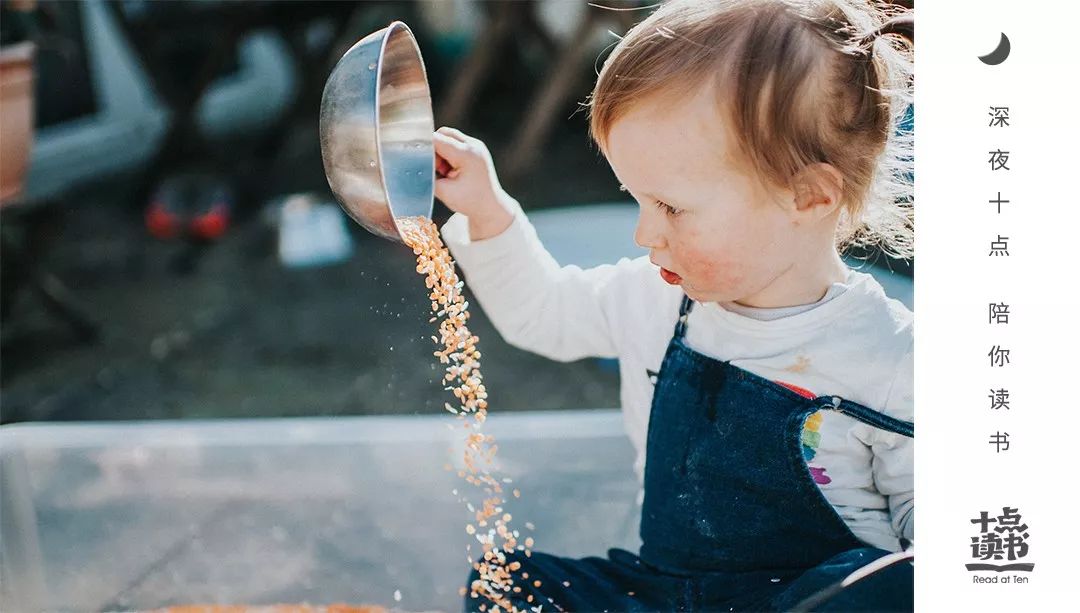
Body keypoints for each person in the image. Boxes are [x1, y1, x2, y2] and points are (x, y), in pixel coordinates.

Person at [434, 1, 914, 611]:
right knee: (511, 591)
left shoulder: (893, 358)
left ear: (809, 196)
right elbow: (543, 313)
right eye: (636, 200)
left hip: (802, 602)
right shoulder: (654, 298)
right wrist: (486, 210)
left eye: (671, 208)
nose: (644, 234)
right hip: (666, 593)